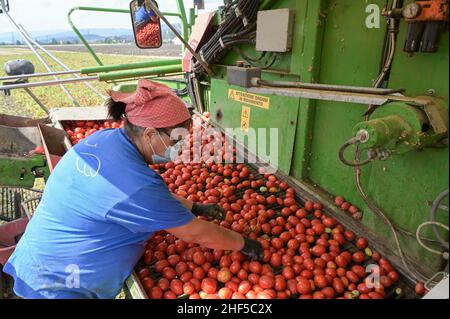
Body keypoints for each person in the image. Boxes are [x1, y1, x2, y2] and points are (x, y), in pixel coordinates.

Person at [3, 79, 263, 299]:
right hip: (60, 285)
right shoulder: (137, 185)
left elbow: (143, 197)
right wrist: (243, 243)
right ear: (150, 134)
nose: (181, 148)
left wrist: (195, 206)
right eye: (176, 139)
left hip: (41, 260)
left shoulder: (103, 140)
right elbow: (196, 233)